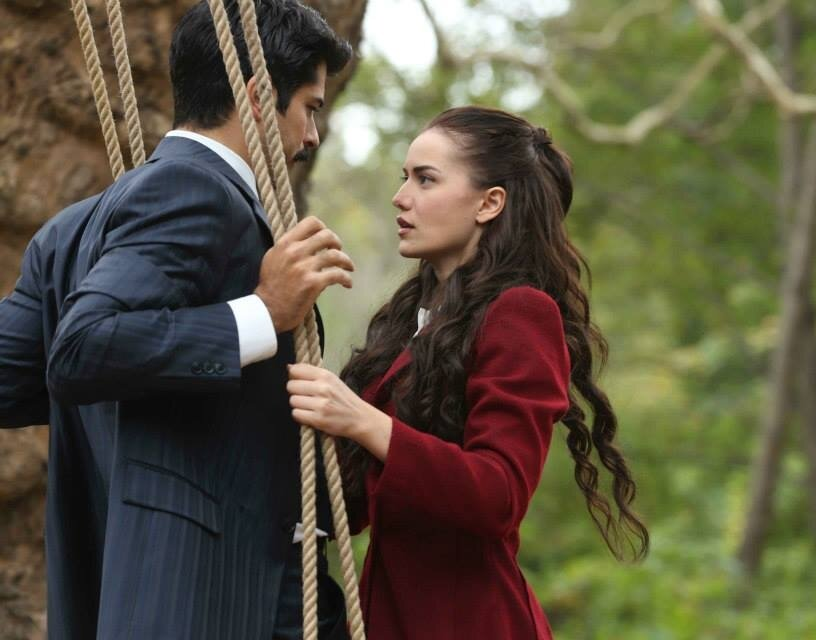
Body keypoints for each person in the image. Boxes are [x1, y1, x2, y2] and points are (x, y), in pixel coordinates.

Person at [0, 0, 356, 637]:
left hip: (138, 602)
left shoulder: (70, 229)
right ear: (256, 97)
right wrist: (263, 312)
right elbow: (82, 350)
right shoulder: (194, 191)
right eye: (309, 107)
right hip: (203, 602)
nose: (311, 136)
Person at [286, 106, 650, 639]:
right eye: (404, 177)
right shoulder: (419, 326)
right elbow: (354, 504)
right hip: (392, 617)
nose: (401, 197)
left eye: (425, 179)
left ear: (489, 203)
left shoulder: (521, 312)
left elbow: (498, 497)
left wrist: (362, 421)